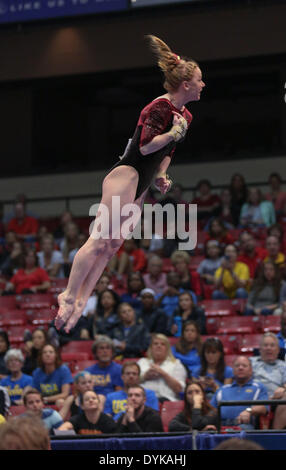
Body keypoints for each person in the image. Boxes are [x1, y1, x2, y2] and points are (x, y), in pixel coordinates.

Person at [55, 34, 205, 333]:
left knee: (111, 247)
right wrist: (173, 134)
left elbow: (165, 152)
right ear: (186, 84)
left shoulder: (185, 114)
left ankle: (82, 298)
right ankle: (68, 293)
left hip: (143, 183)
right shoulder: (159, 108)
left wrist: (162, 174)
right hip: (127, 174)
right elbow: (147, 146)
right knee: (99, 239)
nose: (203, 85)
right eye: (200, 80)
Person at [211, 356, 268, 429]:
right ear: (233, 370)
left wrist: (249, 411)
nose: (240, 368)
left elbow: (264, 408)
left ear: (251, 370)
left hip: (244, 425)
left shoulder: (258, 387)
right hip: (220, 425)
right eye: (237, 366)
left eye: (244, 365)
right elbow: (211, 410)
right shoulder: (222, 389)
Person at [250, 333, 286, 429]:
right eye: (265, 345)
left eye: (272, 345)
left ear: (278, 350)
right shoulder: (250, 362)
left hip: (276, 400)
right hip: (253, 396)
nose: (268, 348)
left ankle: (274, 434)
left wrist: (283, 388)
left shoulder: (283, 366)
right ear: (260, 349)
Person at [138, 333, 187, 402]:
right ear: (151, 348)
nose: (159, 346)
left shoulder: (176, 364)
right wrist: (145, 376)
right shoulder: (142, 362)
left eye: (162, 344)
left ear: (167, 349)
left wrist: (163, 374)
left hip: (167, 400)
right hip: (143, 400)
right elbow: (130, 383)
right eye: (155, 344)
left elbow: (179, 389)